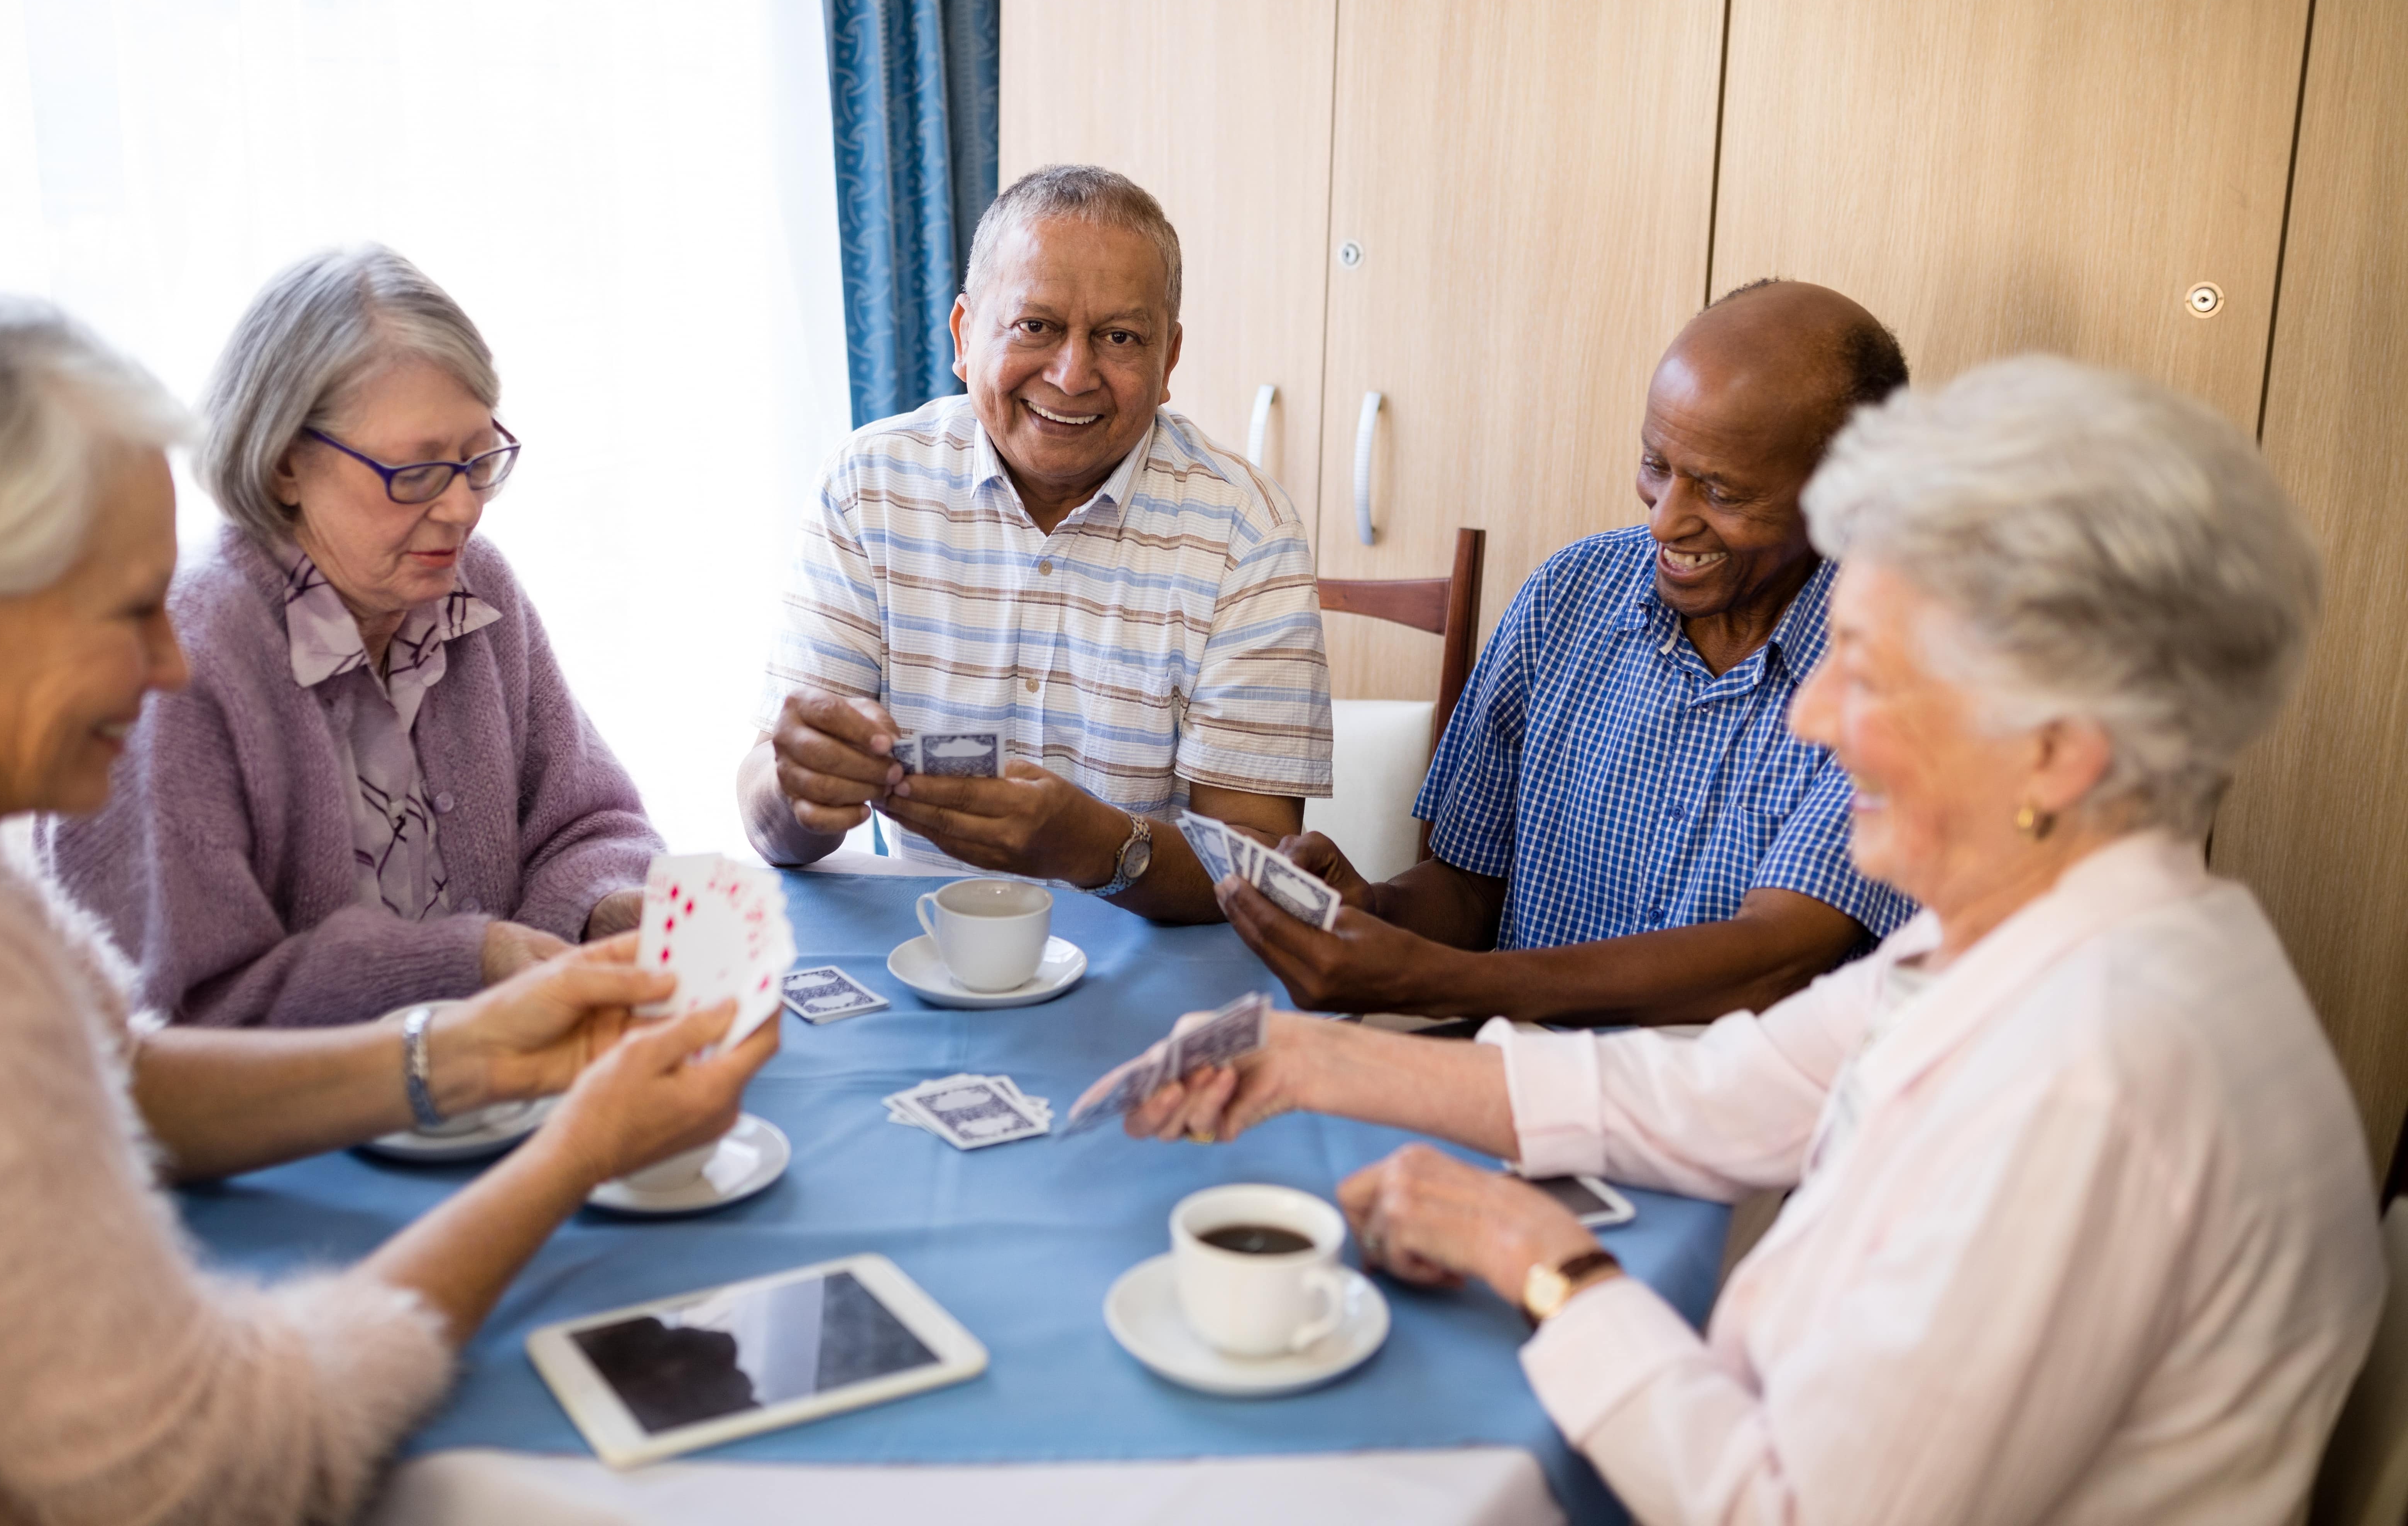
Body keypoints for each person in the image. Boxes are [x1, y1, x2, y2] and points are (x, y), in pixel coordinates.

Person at [1129, 356, 2383, 1524]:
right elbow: (1711, 1089)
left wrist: (1545, 1262)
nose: (1816, 719)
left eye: (1871, 676)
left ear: (2059, 749)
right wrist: (1315, 1063)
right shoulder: (2035, 935)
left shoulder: (2095, 1079)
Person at [0, 272, 778, 1523]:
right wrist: (578, 1153)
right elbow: (218, 1469)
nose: (165, 660)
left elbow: (132, 1080)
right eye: (120, 614)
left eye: (479, 461)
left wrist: (470, 1047)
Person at [1234, 279, 1915, 1023]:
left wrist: (1430, 982)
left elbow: (1772, 960)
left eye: (1721, 492)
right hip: (1507, 1086)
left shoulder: (1904, 678)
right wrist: (1373, 912)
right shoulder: (1569, 596)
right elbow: (1468, 889)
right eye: (1657, 464)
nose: (1666, 521)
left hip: (1727, 1125)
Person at [49, 246, 661, 1026]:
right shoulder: (189, 655)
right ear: (283, 466)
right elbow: (185, 1013)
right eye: (416, 472)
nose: (463, 508)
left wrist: (604, 907)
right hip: (293, 1137)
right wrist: (472, 961)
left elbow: (587, 820)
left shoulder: (476, 585)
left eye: (479, 457)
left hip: (494, 1090)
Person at [740, 165, 1332, 923]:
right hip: (925, 947)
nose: (1072, 373)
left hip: (1154, 966)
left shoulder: (1250, 529)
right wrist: (795, 792)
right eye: (1035, 326)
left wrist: (1102, 847)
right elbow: (769, 816)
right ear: (963, 334)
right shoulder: (868, 486)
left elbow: (1261, 864)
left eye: (1119, 336)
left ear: (1169, 361)